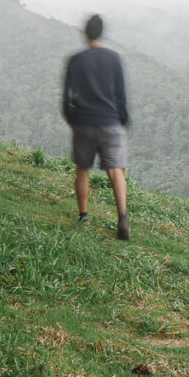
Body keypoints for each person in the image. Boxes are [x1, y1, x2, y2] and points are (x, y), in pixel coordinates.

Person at [61, 14, 131, 240]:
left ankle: (84, 215)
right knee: (116, 169)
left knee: (83, 169)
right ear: (101, 32)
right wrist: (122, 119)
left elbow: (67, 97)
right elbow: (121, 94)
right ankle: (122, 217)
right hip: (111, 122)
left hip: (84, 122)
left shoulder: (76, 60)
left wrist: (73, 119)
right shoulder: (114, 58)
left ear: (85, 32)